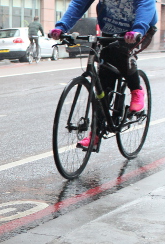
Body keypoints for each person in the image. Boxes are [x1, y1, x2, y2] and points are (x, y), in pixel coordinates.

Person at [49, 0, 157, 148]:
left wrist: (138, 29)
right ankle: (95, 134)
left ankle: (136, 90)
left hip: (139, 30)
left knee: (122, 54)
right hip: (110, 30)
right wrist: (62, 27)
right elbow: (79, 3)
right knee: (103, 81)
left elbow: (146, 4)